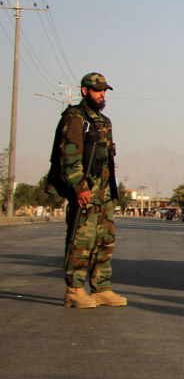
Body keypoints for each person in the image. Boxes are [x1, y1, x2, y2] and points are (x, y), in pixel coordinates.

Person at [56, 72, 126, 308]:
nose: (102, 94)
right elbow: (69, 156)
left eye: (104, 90)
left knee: (104, 240)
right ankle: (74, 290)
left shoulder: (104, 121)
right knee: (81, 240)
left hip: (103, 192)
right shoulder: (75, 118)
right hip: (85, 191)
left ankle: (101, 288)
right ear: (85, 91)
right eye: (97, 90)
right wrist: (79, 187)